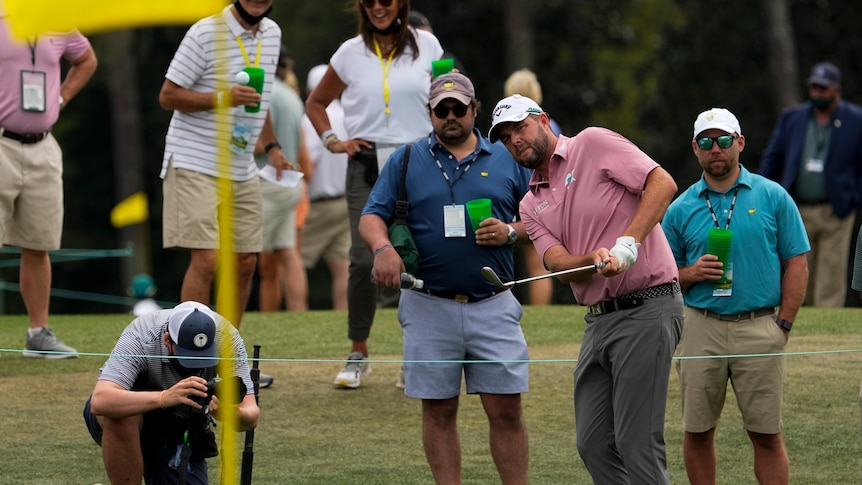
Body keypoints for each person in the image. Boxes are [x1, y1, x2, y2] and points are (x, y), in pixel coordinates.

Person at [489, 94, 683, 484]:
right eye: (506, 138)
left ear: (543, 120)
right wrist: (589, 259)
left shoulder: (592, 143)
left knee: (637, 442)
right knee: (593, 442)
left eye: (520, 128)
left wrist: (628, 243)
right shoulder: (531, 203)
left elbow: (662, 183)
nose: (515, 141)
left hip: (648, 306)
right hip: (598, 322)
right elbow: (559, 265)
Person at [360, 72, 531, 485]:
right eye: (442, 109)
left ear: (475, 110)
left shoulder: (507, 157)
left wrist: (510, 231)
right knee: (438, 410)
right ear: (430, 113)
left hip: (493, 301)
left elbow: (544, 219)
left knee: (506, 409)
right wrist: (382, 250)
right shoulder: (405, 158)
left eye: (459, 108)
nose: (450, 116)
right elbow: (371, 217)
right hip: (427, 303)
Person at [662, 107, 810, 485]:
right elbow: (660, 276)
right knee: (696, 432)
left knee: (766, 433)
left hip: (758, 324)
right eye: (707, 142)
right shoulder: (680, 208)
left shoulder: (773, 196)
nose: (717, 149)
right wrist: (691, 274)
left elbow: (797, 263)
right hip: (700, 327)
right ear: (695, 148)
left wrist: (784, 325)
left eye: (725, 140)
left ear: (740, 143)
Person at [305, 0, 443, 388]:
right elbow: (316, 103)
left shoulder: (427, 45)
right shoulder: (349, 53)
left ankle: (414, 354)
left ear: (401, 3)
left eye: (386, 0)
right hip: (365, 164)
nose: (378, 7)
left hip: (420, 160)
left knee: (420, 254)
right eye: (370, 1)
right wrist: (333, 141)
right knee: (364, 259)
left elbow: (447, 95)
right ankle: (358, 353)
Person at [158, 0, 291, 328]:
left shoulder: (272, 33)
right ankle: (192, 355)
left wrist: (272, 147)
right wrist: (223, 98)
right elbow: (168, 96)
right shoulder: (205, 32)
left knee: (245, 261)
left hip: (242, 164)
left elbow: (261, 101)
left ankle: (228, 354)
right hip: (194, 161)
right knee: (207, 260)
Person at [0, 12, 97, 359]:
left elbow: (86, 59)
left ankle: (38, 335)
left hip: (43, 146)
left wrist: (62, 97)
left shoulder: (57, 18)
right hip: (1, 143)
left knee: (38, 244)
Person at [83, 301, 260, 484]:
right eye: (187, 357)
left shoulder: (227, 337)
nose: (196, 365)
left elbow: (252, 415)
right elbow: (101, 401)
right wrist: (164, 398)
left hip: (180, 424)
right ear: (167, 340)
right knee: (121, 416)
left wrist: (232, 413)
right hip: (132, 420)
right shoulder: (142, 334)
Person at [759, 61, 862, 308]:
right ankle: (797, 319)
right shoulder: (792, 117)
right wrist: (762, 194)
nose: (817, 92)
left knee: (831, 274)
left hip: (836, 210)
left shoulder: (856, 120)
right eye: (814, 87)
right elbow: (773, 159)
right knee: (799, 267)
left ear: (836, 90)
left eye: (823, 88)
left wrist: (854, 198)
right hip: (798, 208)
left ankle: (825, 329)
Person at [255, 45, 311, 312]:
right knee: (287, 252)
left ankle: (225, 318)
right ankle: (297, 313)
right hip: (290, 182)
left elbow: (257, 143)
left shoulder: (263, 93)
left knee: (239, 253)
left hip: (268, 182)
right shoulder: (291, 95)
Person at [501, 68, 561, 306]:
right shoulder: (550, 124)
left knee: (530, 258)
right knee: (538, 261)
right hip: (541, 193)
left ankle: (535, 310)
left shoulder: (505, 131)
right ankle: (540, 309)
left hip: (517, 193)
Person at [300, 64, 350, 310]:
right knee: (342, 266)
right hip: (345, 201)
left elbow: (308, 163)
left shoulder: (311, 118)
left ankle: (295, 316)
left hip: (317, 205)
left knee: (293, 261)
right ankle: (343, 317)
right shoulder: (349, 115)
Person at [407, 10, 467, 76]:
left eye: (430, 35)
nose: (428, 40)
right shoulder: (401, 60)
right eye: (424, 36)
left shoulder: (443, 59)